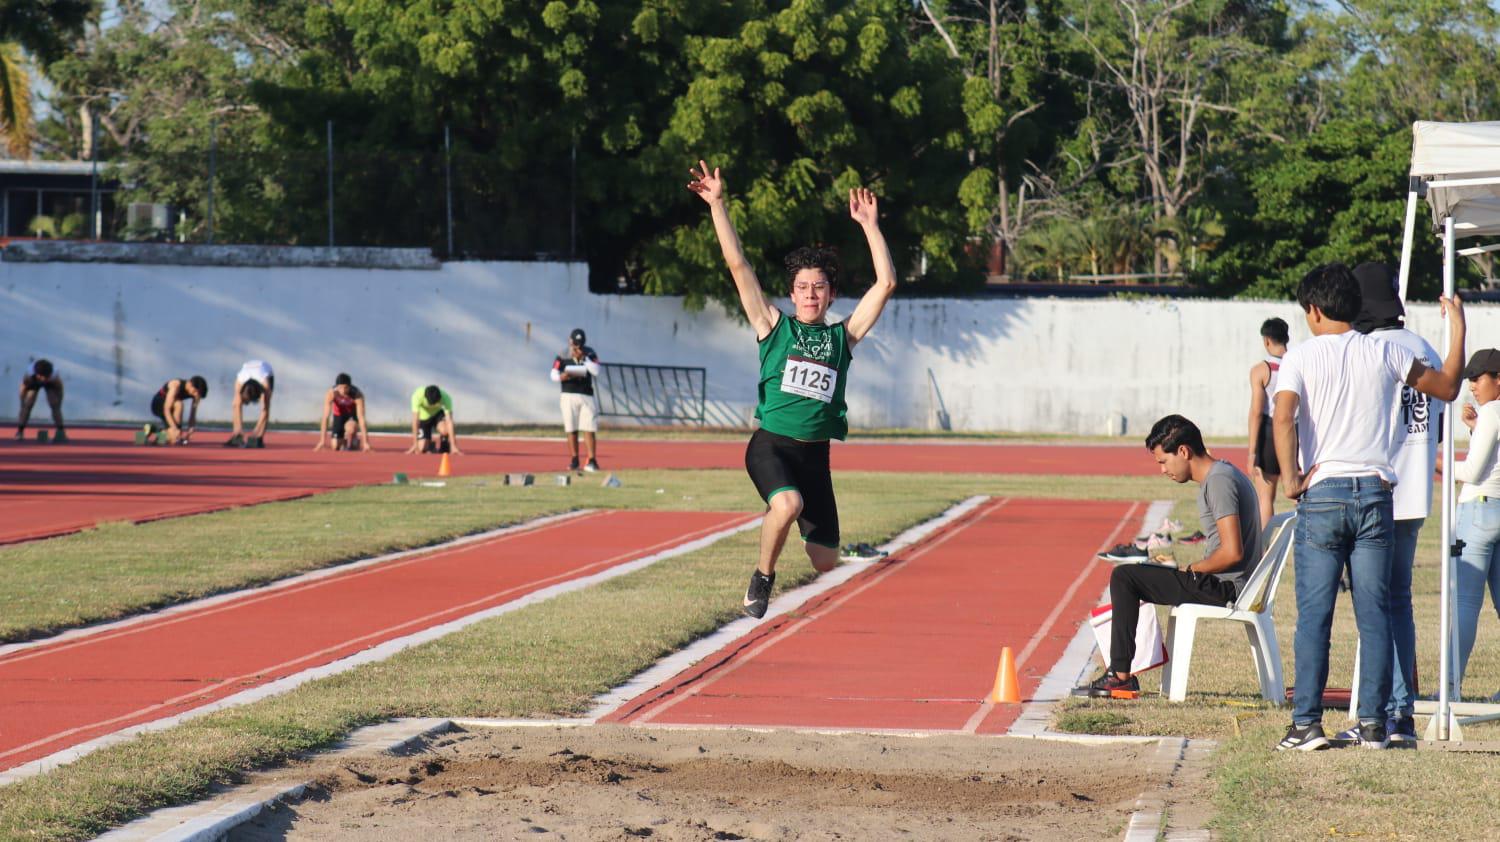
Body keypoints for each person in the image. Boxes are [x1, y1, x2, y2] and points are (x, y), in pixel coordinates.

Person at [688, 159, 897, 619]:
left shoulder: (843, 337)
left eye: (818, 287)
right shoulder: (772, 327)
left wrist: (870, 227)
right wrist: (718, 205)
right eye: (802, 287)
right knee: (787, 503)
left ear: (830, 295)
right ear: (791, 293)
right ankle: (762, 576)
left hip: (816, 458)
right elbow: (737, 264)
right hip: (772, 447)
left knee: (826, 562)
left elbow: (886, 283)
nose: (809, 294)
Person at [1271, 263, 1464, 751]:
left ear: (1314, 310)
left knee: (1315, 615)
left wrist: (1291, 476)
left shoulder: (1301, 357)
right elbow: (1446, 388)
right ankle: (1376, 724)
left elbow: (1284, 414)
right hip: (1377, 493)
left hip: (1323, 493)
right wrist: (1458, 329)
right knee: (1375, 613)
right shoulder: (1383, 351)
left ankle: (1306, 724)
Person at [1073, 415, 1262, 699]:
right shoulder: (1223, 474)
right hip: (1226, 582)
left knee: (1125, 576)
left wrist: (1193, 568)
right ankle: (1122, 672)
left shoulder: (1219, 481)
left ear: (1183, 451)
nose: (1162, 470)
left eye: (1163, 461)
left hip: (1227, 587)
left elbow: (1233, 553)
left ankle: (1121, 676)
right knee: (1140, 572)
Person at [1346, 261, 1444, 746]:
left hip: (1377, 487)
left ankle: (1383, 708)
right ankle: (1401, 711)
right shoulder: (1424, 348)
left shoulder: (1373, 349)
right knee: (1398, 602)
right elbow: (1437, 417)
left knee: (1374, 605)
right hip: (1417, 489)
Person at [1453, 348, 1500, 698]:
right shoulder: (1488, 415)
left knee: (1466, 604)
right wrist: (1475, 428)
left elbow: (1472, 472)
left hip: (1478, 512)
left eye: (1479, 377)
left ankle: (1451, 687)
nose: (1472, 385)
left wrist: (1434, 466)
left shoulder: (1492, 412)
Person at [1248, 318, 1290, 529]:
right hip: (1296, 429)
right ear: (1287, 338)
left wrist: (1252, 452)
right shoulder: (1298, 364)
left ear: (1266, 341)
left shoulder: (1261, 370)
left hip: (1270, 431)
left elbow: (1256, 412)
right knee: (1300, 495)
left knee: (1265, 498)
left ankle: (1263, 552)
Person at [551, 328, 602, 471]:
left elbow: (597, 371)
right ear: (570, 341)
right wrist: (562, 377)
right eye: (576, 343)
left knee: (589, 427)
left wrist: (584, 359)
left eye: (580, 344)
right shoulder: (562, 354)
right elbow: (553, 374)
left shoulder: (590, 352)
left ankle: (592, 460)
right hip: (568, 394)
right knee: (571, 427)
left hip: (586, 395)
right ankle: (574, 460)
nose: (578, 347)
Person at [315, 373, 371, 452]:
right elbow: (325, 417)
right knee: (335, 446)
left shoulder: (357, 394)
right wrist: (322, 441)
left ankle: (353, 438)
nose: (343, 391)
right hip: (339, 415)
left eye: (346, 388)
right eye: (340, 388)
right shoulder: (331, 393)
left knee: (350, 428)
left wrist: (366, 442)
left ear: (350, 387)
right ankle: (343, 441)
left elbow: (361, 418)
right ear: (337, 386)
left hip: (351, 415)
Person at [15, 358, 66, 442]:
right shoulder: (29, 376)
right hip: (33, 383)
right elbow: (22, 389)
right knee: (28, 403)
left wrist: (59, 404)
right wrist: (22, 404)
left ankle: (60, 431)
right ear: (38, 375)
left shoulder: (54, 376)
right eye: (44, 377)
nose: (46, 379)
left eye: (48, 377)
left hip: (50, 385)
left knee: (54, 404)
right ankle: (20, 431)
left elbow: (60, 389)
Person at [226, 359, 274, 447]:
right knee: (236, 403)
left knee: (266, 406)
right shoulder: (239, 381)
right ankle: (237, 435)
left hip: (266, 371)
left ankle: (259, 438)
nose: (245, 403)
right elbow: (235, 405)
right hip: (249, 370)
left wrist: (255, 431)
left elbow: (264, 410)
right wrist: (238, 429)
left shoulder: (265, 385)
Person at [150, 376, 208, 445]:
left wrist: (190, 430)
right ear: (190, 384)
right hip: (158, 404)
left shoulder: (196, 395)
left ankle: (151, 432)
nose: (195, 395)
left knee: (174, 438)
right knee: (179, 404)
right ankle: (155, 431)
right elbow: (166, 409)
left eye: (198, 394)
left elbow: (193, 414)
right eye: (195, 391)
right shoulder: (175, 385)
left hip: (172, 407)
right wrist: (174, 428)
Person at [408, 384, 462, 455]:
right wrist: (415, 444)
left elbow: (449, 421)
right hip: (423, 418)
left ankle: (444, 446)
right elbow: (415, 421)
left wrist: (453, 445)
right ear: (425, 397)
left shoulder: (446, 397)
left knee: (445, 430)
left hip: (437, 415)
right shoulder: (417, 396)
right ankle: (430, 445)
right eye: (431, 403)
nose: (433, 405)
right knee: (421, 449)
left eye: (435, 403)